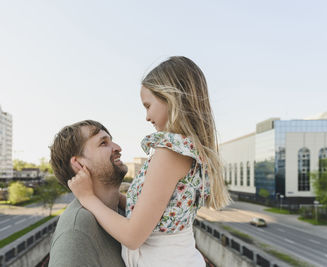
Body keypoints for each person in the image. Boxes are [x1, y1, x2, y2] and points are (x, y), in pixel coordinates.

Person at [68, 56, 231, 267]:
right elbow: (156, 214)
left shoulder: (170, 154)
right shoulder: (186, 151)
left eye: (148, 105)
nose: (146, 116)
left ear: (170, 99)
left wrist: (88, 198)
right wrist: (114, 197)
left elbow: (133, 236)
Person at [48, 120, 127, 267]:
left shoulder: (124, 209)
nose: (118, 148)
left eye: (112, 141)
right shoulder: (75, 231)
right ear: (79, 164)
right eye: (103, 143)